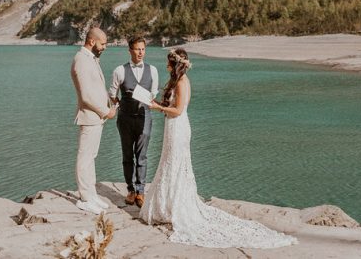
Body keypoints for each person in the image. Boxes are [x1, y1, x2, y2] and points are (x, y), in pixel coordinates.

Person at [141, 48, 298, 249]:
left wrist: (158, 108)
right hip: (172, 127)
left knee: (176, 164)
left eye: (168, 63)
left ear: (175, 64)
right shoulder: (175, 81)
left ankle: (175, 206)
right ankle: (168, 205)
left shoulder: (182, 82)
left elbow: (179, 110)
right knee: (169, 163)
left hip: (178, 128)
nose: (166, 66)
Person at [70, 26, 116, 215]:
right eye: (102, 43)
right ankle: (85, 198)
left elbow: (96, 88)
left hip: (96, 118)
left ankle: (92, 194)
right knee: (85, 157)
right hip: (90, 116)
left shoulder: (91, 59)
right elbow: (86, 95)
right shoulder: (81, 59)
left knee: (92, 156)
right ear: (92, 41)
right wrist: (106, 111)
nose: (104, 47)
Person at [109, 36, 159, 208]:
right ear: (130, 50)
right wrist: (120, 104)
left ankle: (141, 191)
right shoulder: (119, 71)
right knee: (127, 156)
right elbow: (112, 94)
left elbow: (153, 94)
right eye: (137, 49)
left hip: (144, 117)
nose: (140, 52)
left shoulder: (152, 70)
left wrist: (147, 99)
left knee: (142, 156)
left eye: (143, 49)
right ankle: (130, 190)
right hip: (125, 118)